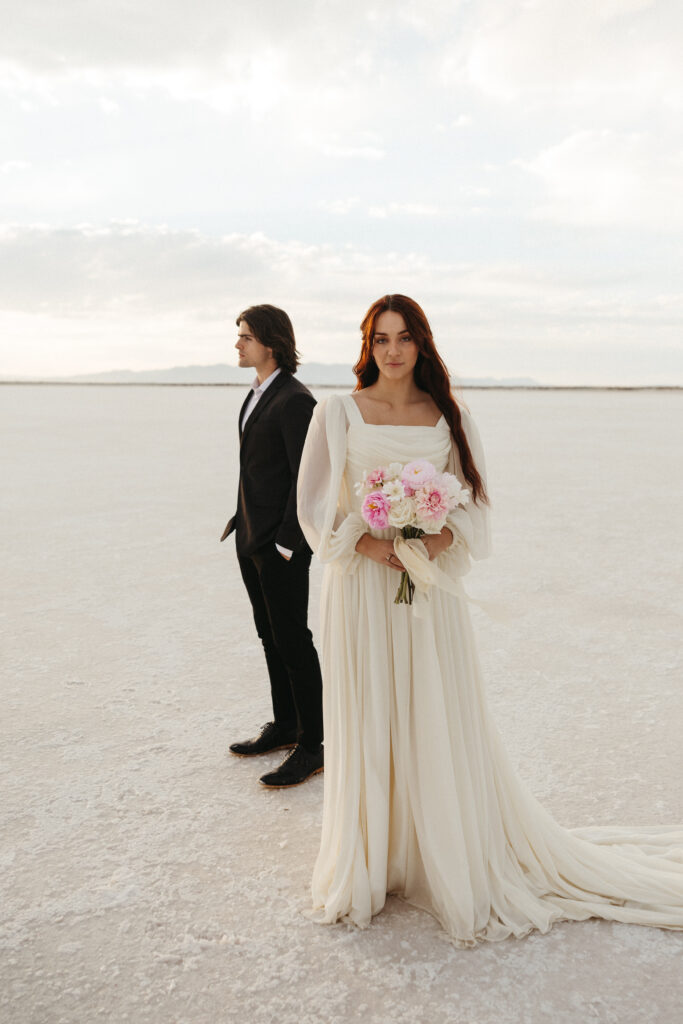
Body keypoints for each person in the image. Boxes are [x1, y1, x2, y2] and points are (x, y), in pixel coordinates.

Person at [295, 293, 683, 947]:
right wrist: (373, 546)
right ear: (367, 346)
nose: (392, 351)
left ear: (422, 344)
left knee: (430, 708)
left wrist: (430, 544)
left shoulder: (449, 414)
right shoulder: (338, 411)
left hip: (429, 588)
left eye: (404, 338)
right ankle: (374, 858)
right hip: (362, 587)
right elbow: (310, 506)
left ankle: (437, 848)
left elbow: (472, 503)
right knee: (368, 709)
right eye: (381, 339)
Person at [221, 304, 324, 788]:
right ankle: (285, 724)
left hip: (280, 545)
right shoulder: (258, 393)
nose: (237, 344)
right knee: (269, 635)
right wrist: (242, 521)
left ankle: (313, 744)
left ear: (271, 342)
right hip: (251, 537)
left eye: (244, 336)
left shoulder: (294, 400)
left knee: (293, 641)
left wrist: (287, 542)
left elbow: (307, 480)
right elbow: (257, 469)